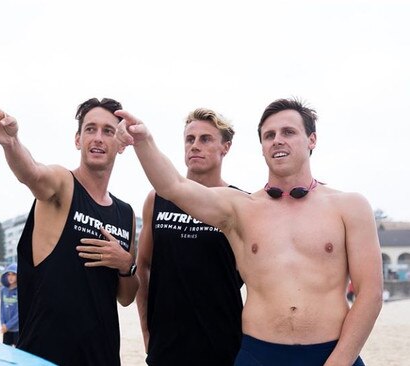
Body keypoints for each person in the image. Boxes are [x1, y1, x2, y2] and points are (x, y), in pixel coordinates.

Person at [116, 98, 383, 366]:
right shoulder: (241, 208)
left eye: (288, 132)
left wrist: (339, 361)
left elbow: (370, 292)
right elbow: (174, 186)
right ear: (262, 147)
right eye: (269, 135)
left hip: (332, 353)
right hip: (258, 354)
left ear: (312, 139)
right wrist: (144, 140)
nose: (278, 140)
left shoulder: (350, 206)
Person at [0, 98, 138, 366]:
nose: (98, 138)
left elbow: (126, 297)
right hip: (45, 355)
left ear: (120, 144)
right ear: (78, 139)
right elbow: (32, 173)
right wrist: (11, 143)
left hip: (102, 355)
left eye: (108, 131)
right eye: (90, 129)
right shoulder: (63, 184)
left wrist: (126, 264)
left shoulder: (126, 213)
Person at [136, 108, 244, 365]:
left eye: (205, 139)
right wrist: (146, 330)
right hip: (166, 345)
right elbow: (144, 265)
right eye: (190, 139)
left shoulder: (239, 203)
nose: (195, 146)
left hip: (223, 343)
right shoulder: (158, 198)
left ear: (225, 147)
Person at [0, 263, 19, 346]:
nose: (10, 277)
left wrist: (8, 325)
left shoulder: (20, 291)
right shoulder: (3, 290)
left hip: (17, 329)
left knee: (18, 354)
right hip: (6, 329)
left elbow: (19, 313)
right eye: (8, 274)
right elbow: (1, 309)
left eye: (14, 274)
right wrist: (3, 323)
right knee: (6, 352)